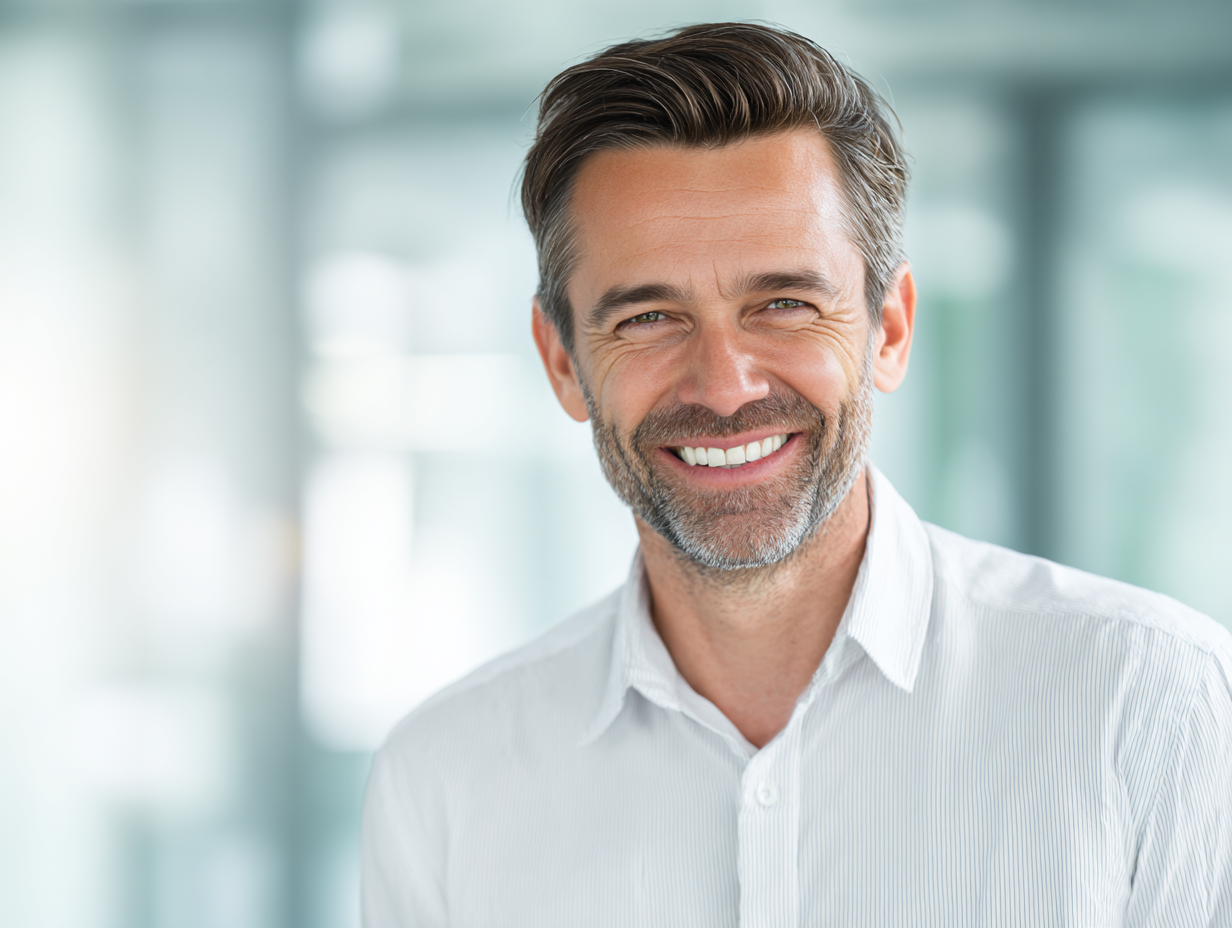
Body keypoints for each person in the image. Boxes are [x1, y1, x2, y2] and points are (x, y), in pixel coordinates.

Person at [361, 22, 1232, 927]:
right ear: (563, 362)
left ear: (887, 330)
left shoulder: (1153, 706)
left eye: (784, 304)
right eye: (649, 318)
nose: (725, 386)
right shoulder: (442, 782)